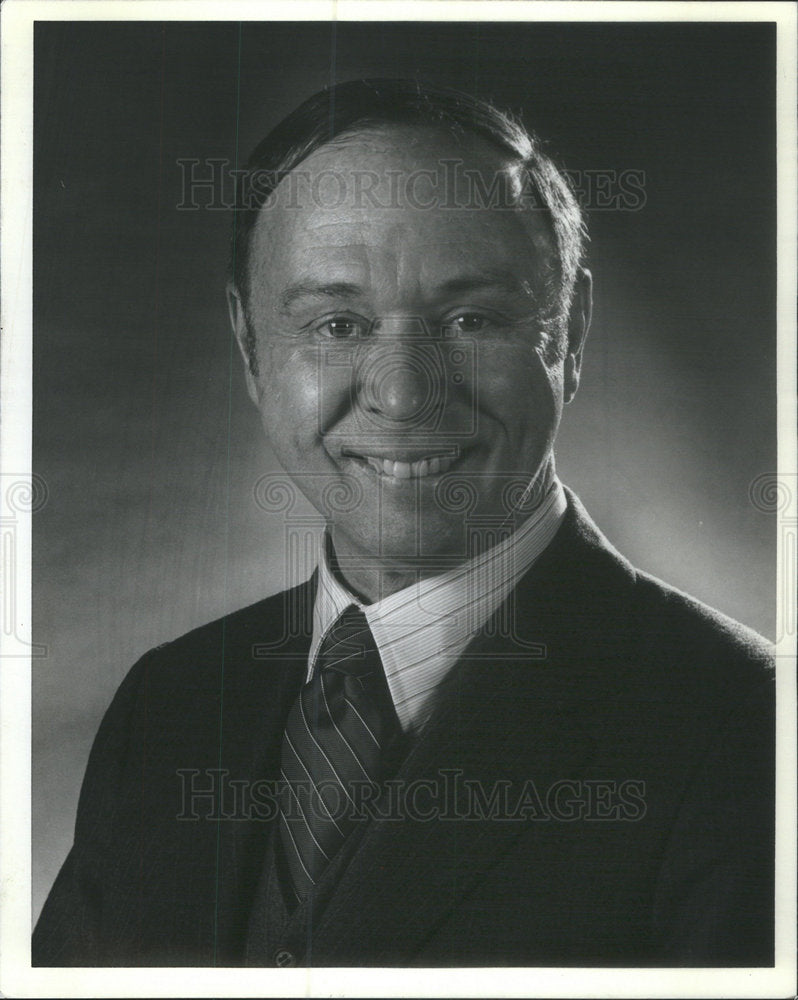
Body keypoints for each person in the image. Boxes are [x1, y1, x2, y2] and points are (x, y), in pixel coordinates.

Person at [33, 78, 774, 968]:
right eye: (338, 323)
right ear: (251, 350)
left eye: (471, 319)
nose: (402, 391)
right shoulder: (171, 705)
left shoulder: (746, 733)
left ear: (570, 335)